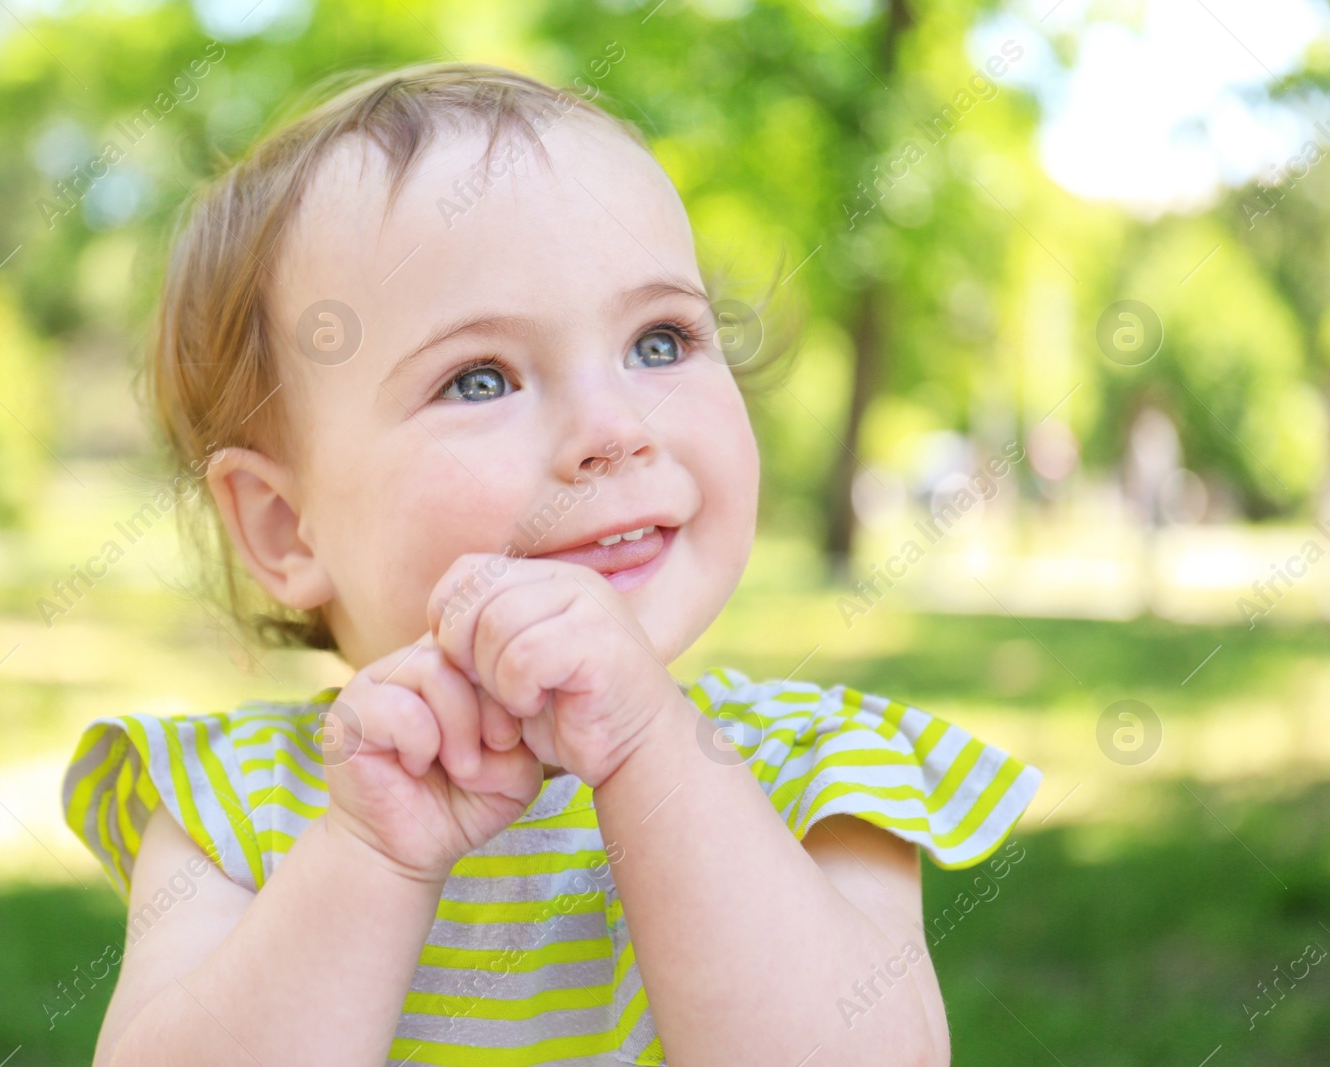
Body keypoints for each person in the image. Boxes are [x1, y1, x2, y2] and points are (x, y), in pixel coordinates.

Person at [61, 60, 1042, 1066]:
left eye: (660, 342)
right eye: (479, 376)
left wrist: (646, 749)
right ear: (284, 527)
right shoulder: (235, 804)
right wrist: (371, 855)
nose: (613, 429)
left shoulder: (811, 768)